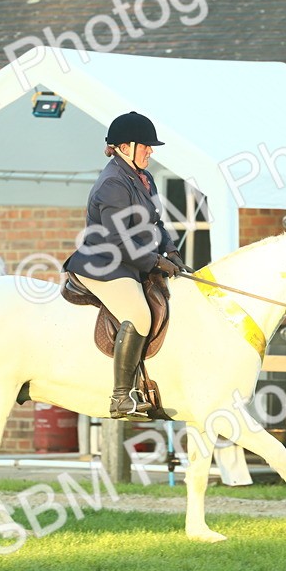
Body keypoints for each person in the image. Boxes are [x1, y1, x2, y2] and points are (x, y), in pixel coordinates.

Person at [63, 111, 188, 419]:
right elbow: (120, 241)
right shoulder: (112, 184)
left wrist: (171, 252)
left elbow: (155, 224)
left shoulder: (143, 179)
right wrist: (155, 261)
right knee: (138, 315)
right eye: (145, 145)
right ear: (125, 146)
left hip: (130, 263)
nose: (150, 150)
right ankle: (121, 397)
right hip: (105, 264)